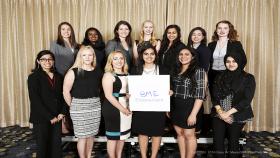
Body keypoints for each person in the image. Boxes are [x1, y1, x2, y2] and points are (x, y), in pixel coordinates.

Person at [211, 52, 255, 158]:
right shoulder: (219, 76)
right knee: (217, 141)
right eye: (228, 61)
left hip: (238, 113)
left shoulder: (248, 78)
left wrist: (228, 114)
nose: (231, 64)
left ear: (239, 62)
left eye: (234, 61)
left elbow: (246, 100)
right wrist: (221, 113)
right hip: (219, 113)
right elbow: (214, 97)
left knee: (233, 142)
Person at [63, 46, 103, 158]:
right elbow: (65, 91)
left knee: (91, 136)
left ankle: (89, 155)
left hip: (95, 106)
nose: (87, 57)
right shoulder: (73, 72)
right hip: (78, 107)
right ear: (80, 57)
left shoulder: (98, 71)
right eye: (84, 55)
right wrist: (73, 106)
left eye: (90, 55)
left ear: (93, 56)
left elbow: (101, 89)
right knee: (82, 137)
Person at [131, 44, 168, 158]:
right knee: (142, 133)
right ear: (142, 55)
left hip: (158, 106)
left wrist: (169, 92)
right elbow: (131, 88)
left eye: (152, 54)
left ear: (155, 56)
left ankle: (153, 156)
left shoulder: (162, 69)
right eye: (146, 54)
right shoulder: (135, 70)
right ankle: (143, 156)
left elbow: (168, 87)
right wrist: (129, 95)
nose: (149, 56)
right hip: (141, 107)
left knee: (157, 133)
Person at [27, 50, 66, 158]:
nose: (47, 62)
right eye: (43, 59)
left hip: (57, 116)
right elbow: (35, 100)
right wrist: (50, 117)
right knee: (43, 146)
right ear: (38, 61)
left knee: (56, 146)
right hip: (41, 117)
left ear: (53, 61)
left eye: (50, 59)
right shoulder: (33, 77)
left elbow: (64, 96)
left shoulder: (59, 76)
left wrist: (62, 112)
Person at [170, 46, 207, 158]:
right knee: (180, 134)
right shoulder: (176, 70)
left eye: (187, 54)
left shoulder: (199, 71)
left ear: (192, 56)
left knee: (189, 134)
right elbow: (174, 89)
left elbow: (200, 95)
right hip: (176, 106)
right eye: (181, 54)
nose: (183, 56)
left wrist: (193, 114)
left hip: (191, 106)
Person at [50, 21, 79, 134]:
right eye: (63, 29)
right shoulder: (55, 44)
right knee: (62, 100)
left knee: (71, 99)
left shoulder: (76, 44)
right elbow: (52, 60)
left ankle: (70, 123)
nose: (66, 31)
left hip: (74, 76)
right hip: (61, 75)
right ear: (59, 31)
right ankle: (62, 125)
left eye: (68, 29)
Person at [102, 51, 132, 158]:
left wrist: (128, 96)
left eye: (121, 58)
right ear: (111, 62)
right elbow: (109, 95)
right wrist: (123, 109)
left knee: (122, 136)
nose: (119, 61)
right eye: (115, 59)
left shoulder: (128, 74)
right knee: (113, 137)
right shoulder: (108, 75)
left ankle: (119, 156)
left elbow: (125, 91)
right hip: (113, 109)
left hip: (126, 108)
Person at [208, 20, 247, 95]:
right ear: (216, 30)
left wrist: (234, 73)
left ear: (229, 30)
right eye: (219, 28)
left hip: (228, 75)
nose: (222, 30)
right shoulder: (211, 45)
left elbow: (243, 60)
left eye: (225, 28)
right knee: (215, 100)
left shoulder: (236, 44)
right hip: (213, 76)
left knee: (228, 99)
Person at [187, 27, 211, 134]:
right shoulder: (187, 48)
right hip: (187, 79)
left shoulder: (205, 49)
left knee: (198, 103)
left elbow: (205, 68)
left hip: (198, 79)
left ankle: (197, 128)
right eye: (194, 34)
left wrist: (204, 84)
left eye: (199, 34)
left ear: (203, 37)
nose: (196, 36)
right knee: (189, 103)